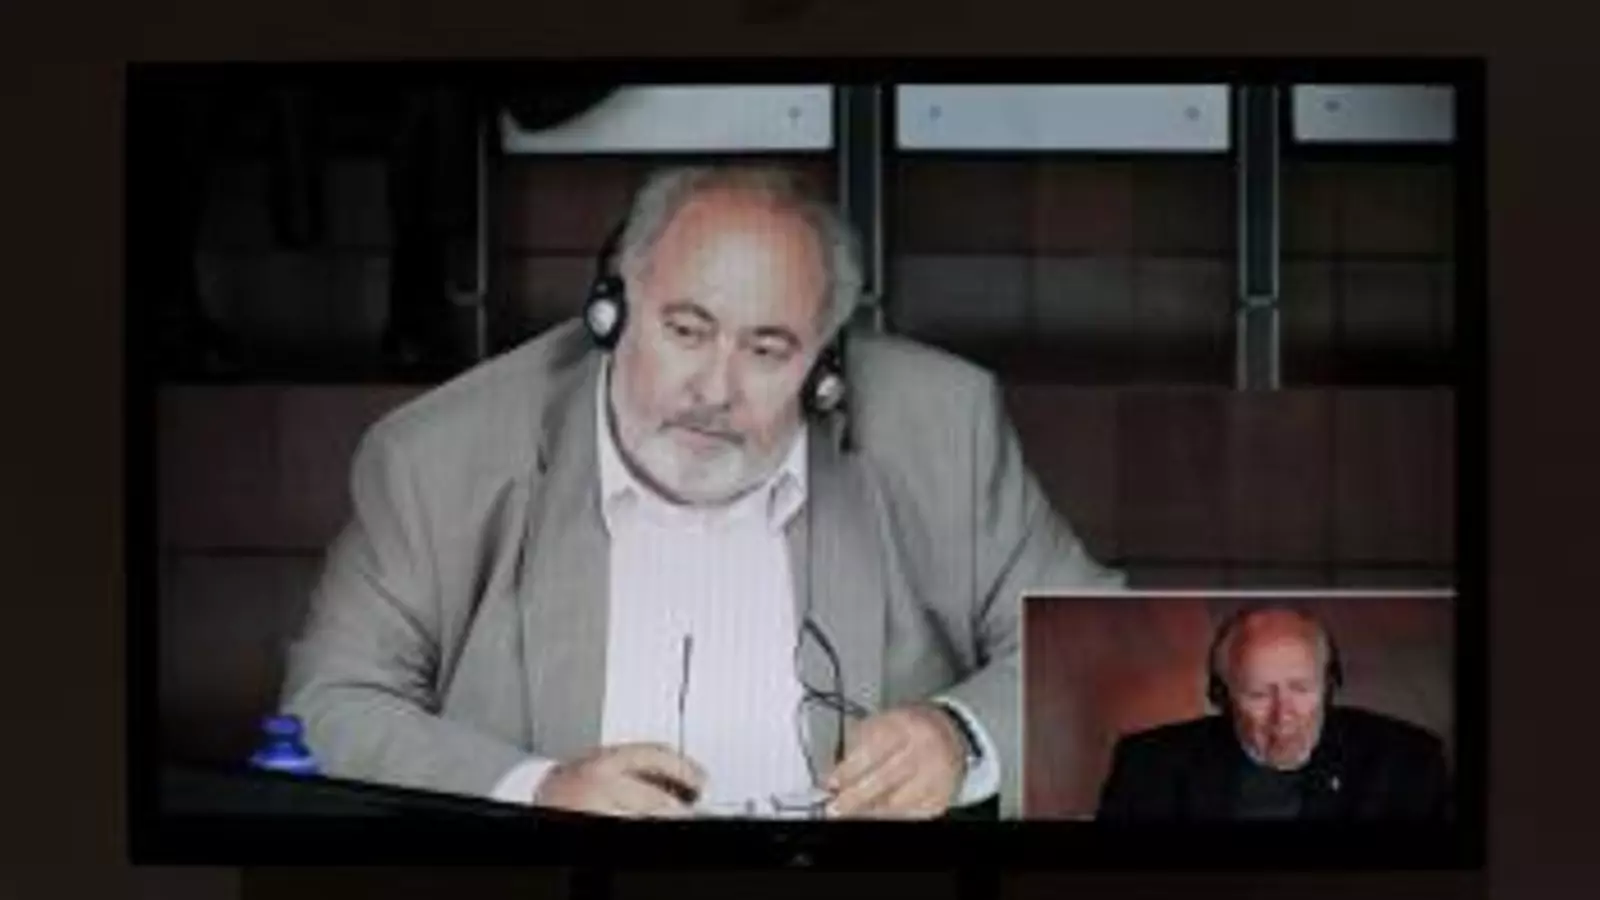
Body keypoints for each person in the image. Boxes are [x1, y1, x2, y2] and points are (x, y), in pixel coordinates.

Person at [281, 165, 1119, 820]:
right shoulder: (442, 455)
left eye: (768, 349)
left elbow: (1099, 646)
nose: (715, 389)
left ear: (824, 366)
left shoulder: (940, 426)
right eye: (686, 330)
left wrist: (962, 739)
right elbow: (330, 705)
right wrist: (537, 792)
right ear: (612, 312)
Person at [1095, 605, 1451, 821]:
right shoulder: (1148, 767)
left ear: (1329, 685)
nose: (1283, 715)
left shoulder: (1409, 762)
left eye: (1301, 688)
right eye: (1259, 694)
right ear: (1221, 696)